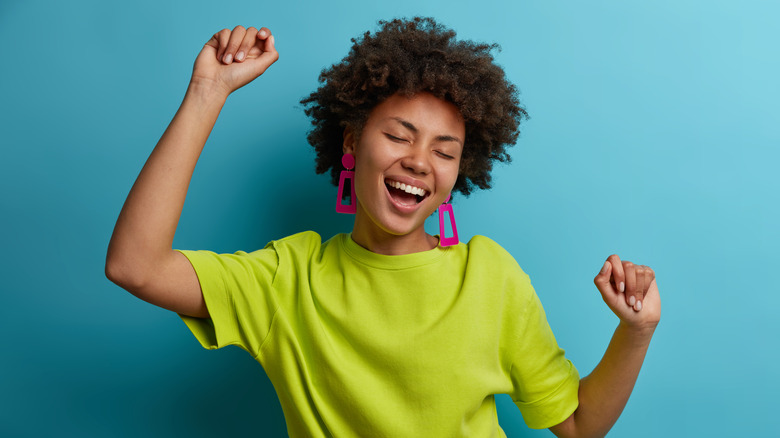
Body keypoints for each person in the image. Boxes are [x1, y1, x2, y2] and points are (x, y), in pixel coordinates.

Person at [106, 17, 661, 438]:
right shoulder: (288, 278)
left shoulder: (488, 275)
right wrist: (208, 93)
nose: (420, 161)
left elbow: (579, 425)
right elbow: (135, 267)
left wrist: (636, 331)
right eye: (398, 135)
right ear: (351, 143)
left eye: (445, 152)